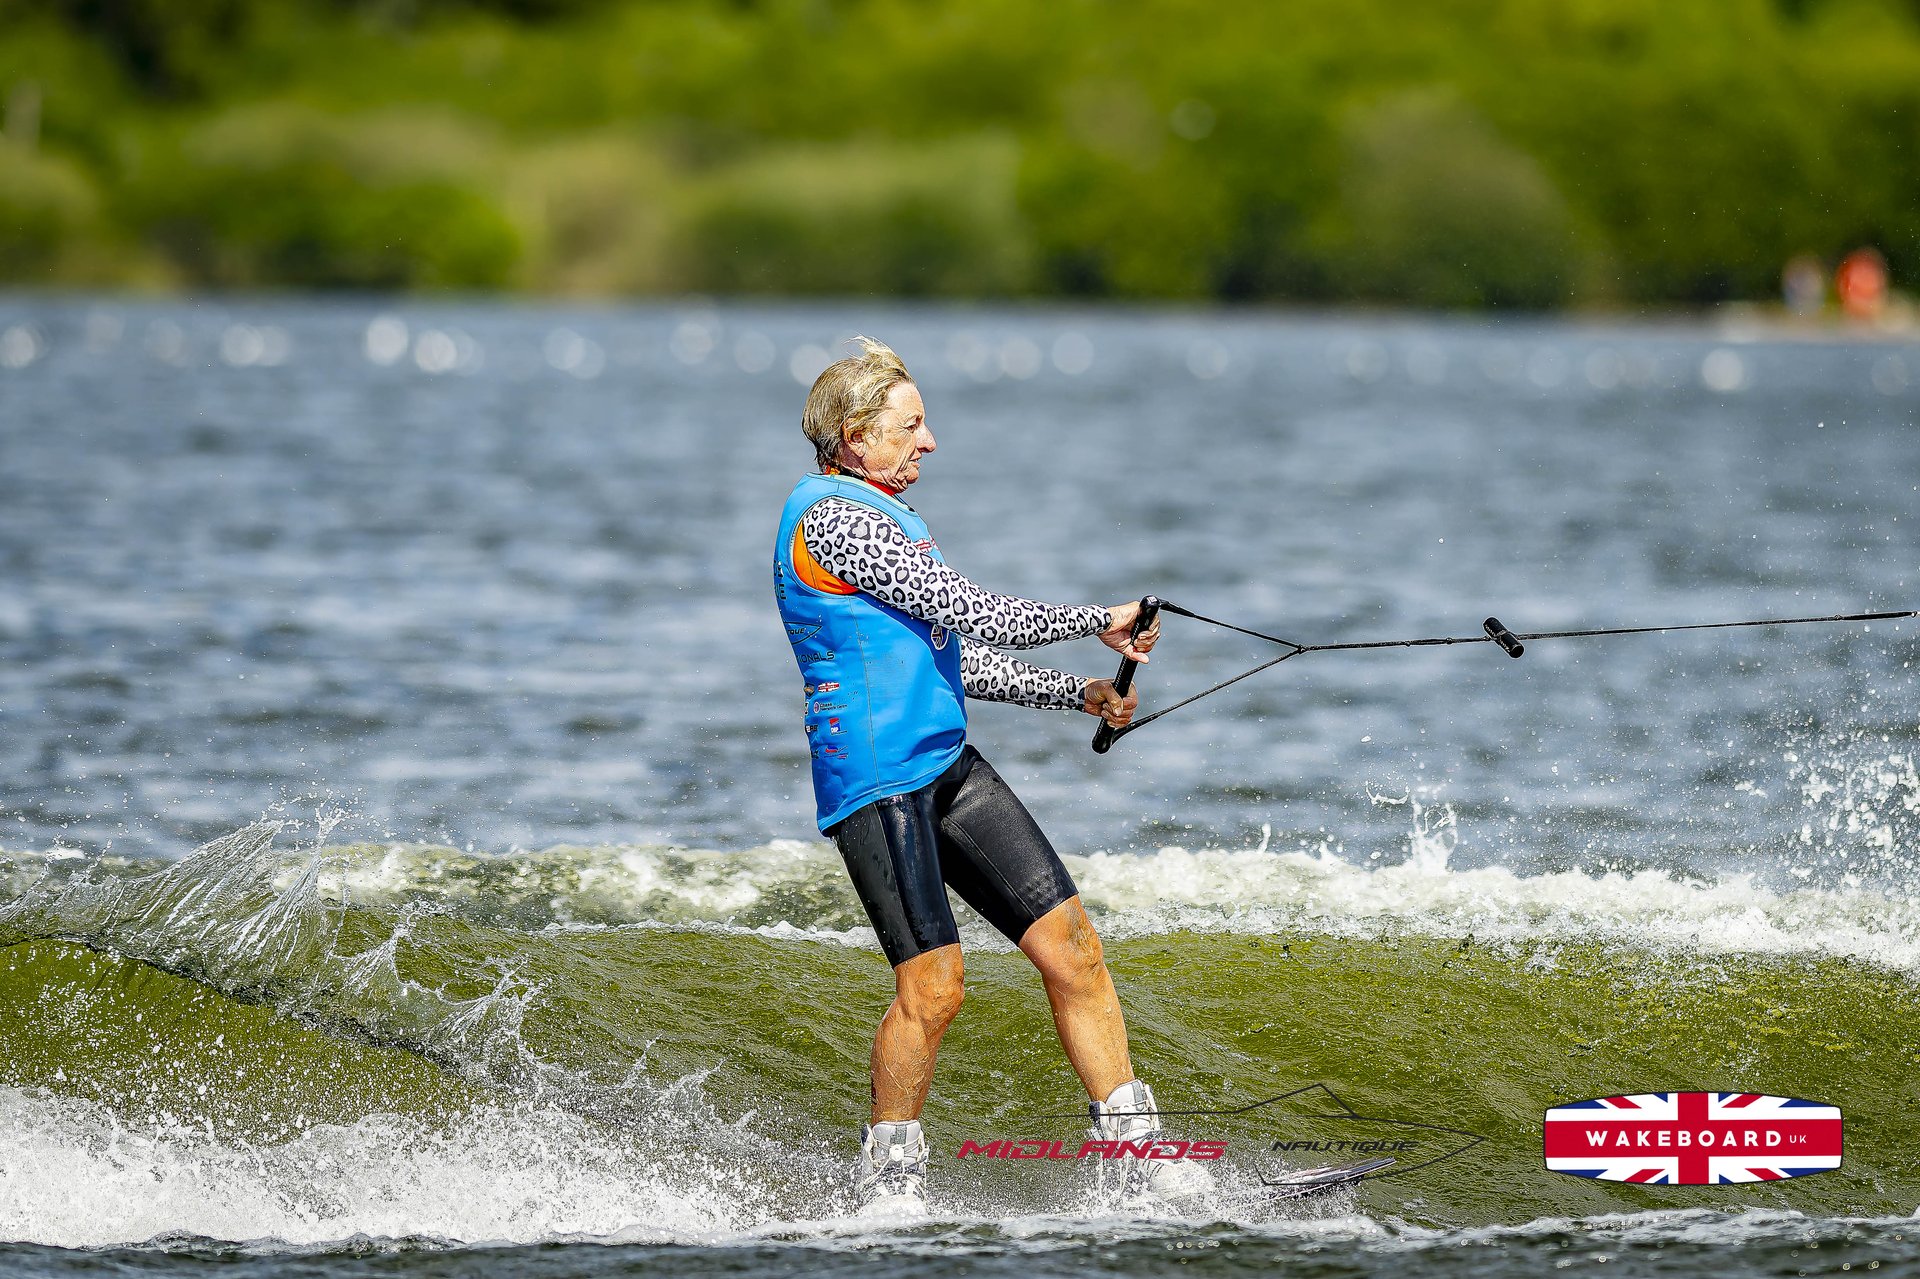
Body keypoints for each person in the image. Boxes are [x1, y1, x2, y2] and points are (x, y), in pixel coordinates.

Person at [772, 336, 1207, 1215]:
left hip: (945, 764)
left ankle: (1135, 1153)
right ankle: (890, 1184)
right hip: (878, 780)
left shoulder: (888, 517)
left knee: (1073, 948)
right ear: (855, 437)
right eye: (911, 425)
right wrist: (1100, 616)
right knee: (934, 989)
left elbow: (949, 652)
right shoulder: (835, 520)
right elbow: (972, 610)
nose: (929, 440)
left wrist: (1076, 693)